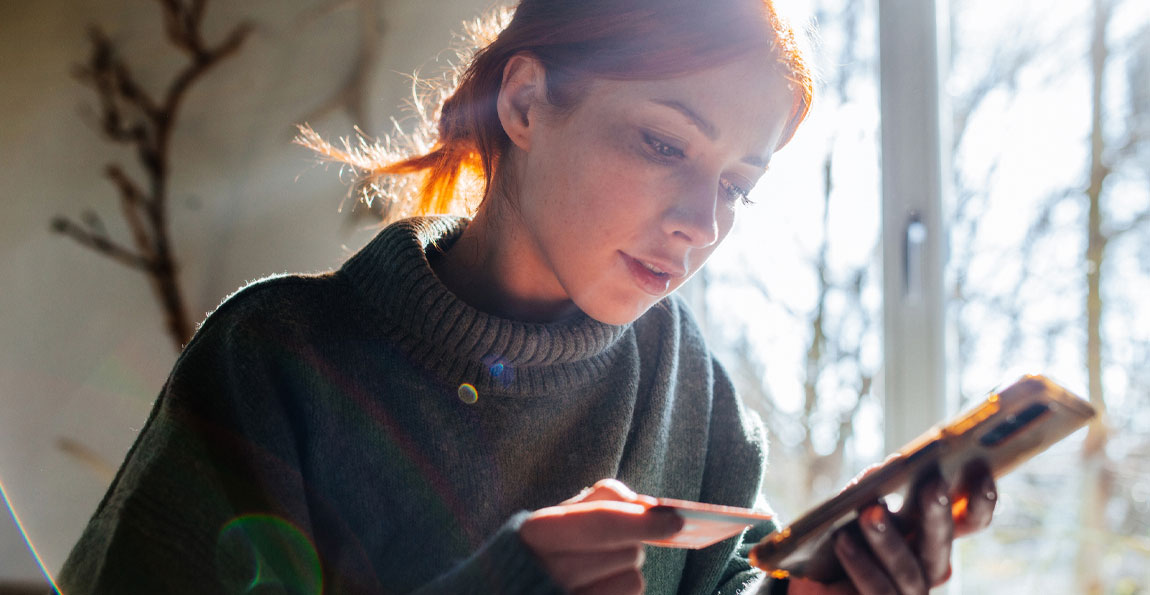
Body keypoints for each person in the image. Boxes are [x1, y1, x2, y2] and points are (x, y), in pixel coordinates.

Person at [57, 0, 997, 593]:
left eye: (737, 184)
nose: (702, 221)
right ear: (524, 104)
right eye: (665, 145)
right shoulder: (277, 360)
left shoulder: (692, 389)